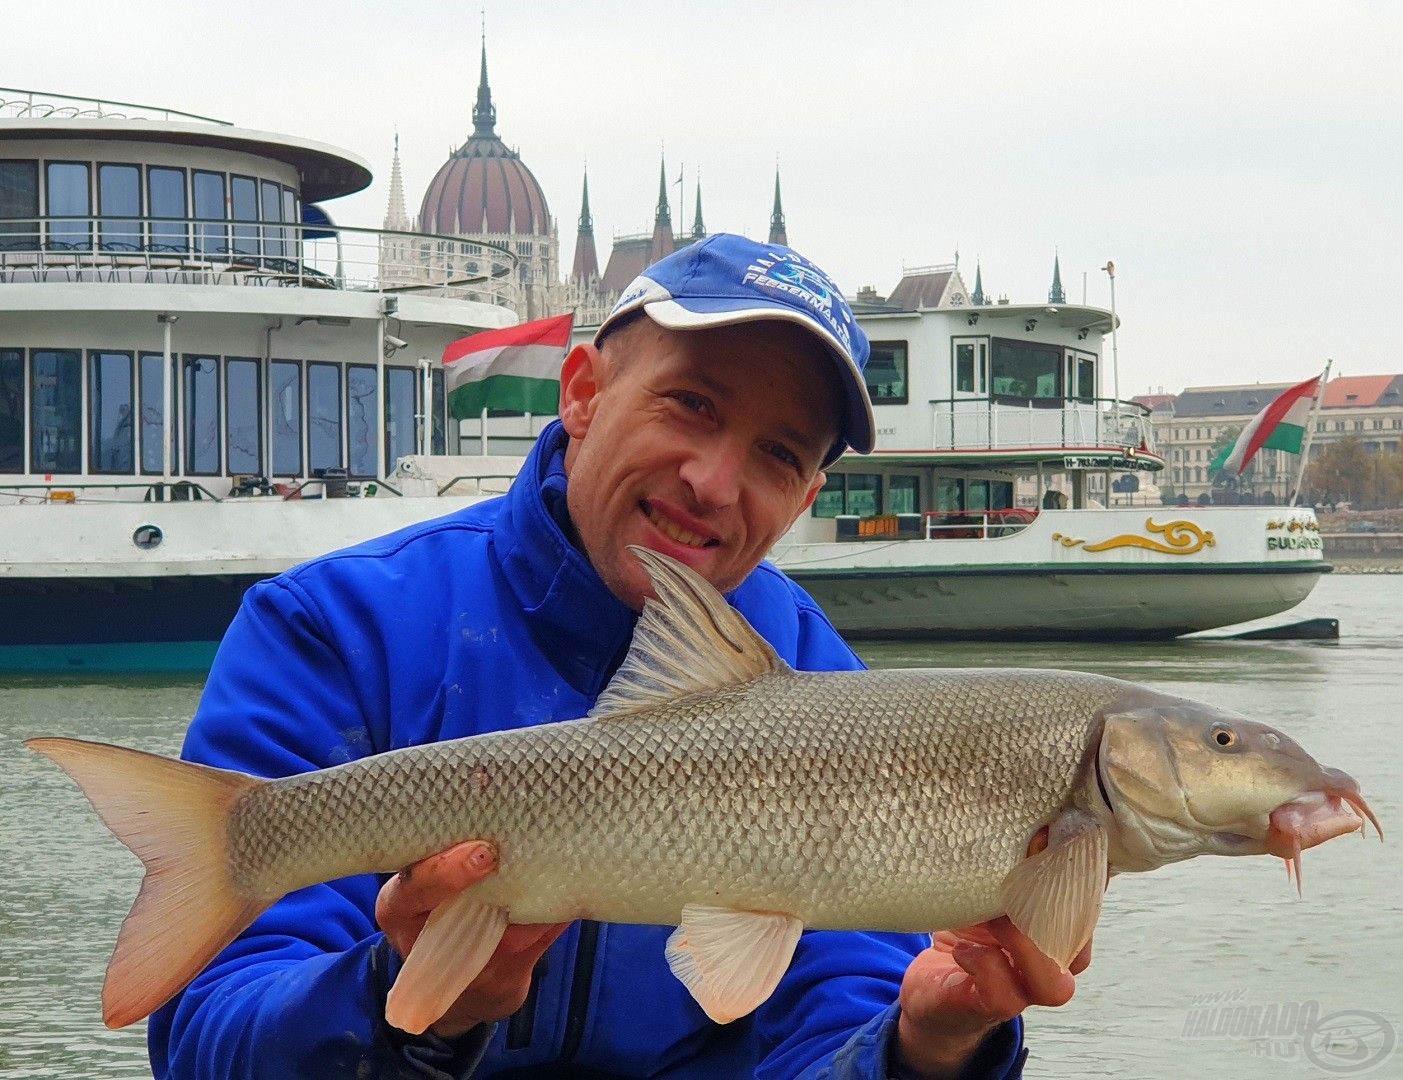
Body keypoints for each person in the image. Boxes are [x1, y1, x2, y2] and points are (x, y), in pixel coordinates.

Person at [149, 234, 1088, 1079]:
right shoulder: (335, 626)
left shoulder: (818, 680)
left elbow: (828, 1027)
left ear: (803, 497)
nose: (713, 483)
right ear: (583, 393)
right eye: (690, 405)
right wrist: (400, 1006)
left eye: (777, 454)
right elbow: (204, 1043)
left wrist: (924, 1049)